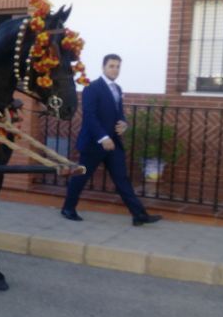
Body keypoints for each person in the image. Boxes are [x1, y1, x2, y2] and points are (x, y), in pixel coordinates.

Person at [61, 54, 162, 226]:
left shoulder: (118, 89)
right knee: (81, 176)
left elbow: (119, 113)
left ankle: (139, 215)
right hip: (94, 143)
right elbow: (90, 116)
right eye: (112, 66)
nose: (115, 70)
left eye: (117, 67)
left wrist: (124, 124)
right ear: (103, 67)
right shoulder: (92, 87)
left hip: (113, 144)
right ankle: (68, 208)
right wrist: (103, 137)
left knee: (122, 178)